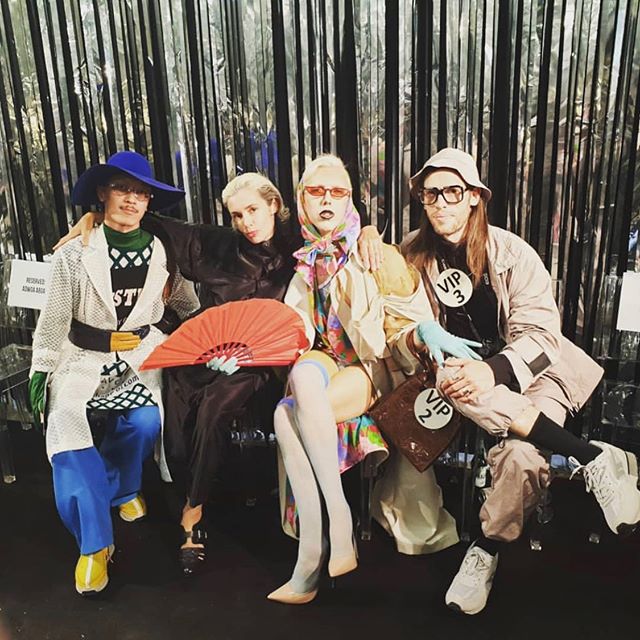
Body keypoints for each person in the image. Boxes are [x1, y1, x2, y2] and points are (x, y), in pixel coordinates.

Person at [59, 172, 387, 577]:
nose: (247, 222)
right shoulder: (214, 245)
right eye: (237, 215)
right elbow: (153, 222)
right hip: (206, 350)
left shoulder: (297, 247)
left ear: (274, 205)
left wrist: (368, 230)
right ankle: (184, 484)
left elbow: (339, 233)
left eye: (253, 210)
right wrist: (96, 217)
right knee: (176, 393)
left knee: (216, 405)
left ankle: (192, 513)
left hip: (262, 362)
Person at [401, 147, 640, 615]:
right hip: (464, 380)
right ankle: (592, 457)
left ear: (474, 196)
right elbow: (394, 312)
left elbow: (543, 338)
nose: (441, 202)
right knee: (458, 385)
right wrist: (370, 238)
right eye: (431, 194)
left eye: (453, 192)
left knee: (519, 453)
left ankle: (485, 547)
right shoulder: (412, 253)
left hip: (537, 376)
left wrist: (491, 371)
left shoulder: (512, 253)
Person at [267, 154, 475, 605]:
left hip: (368, 368)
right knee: (300, 383)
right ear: (301, 200)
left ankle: (311, 559)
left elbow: (405, 322)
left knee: (287, 416)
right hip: (324, 361)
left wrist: (423, 331)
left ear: (350, 200)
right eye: (316, 192)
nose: (326, 200)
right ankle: (335, 525)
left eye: (337, 192)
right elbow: (293, 333)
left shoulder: (375, 253)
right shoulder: (302, 257)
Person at [28, 151, 200, 595]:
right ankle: (94, 544)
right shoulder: (73, 254)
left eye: (141, 193)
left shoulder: (163, 251)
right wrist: (41, 367)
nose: (132, 199)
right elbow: (54, 318)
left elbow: (187, 306)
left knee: (146, 421)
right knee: (66, 423)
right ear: (103, 193)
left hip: (140, 356)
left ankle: (121, 489)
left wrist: (207, 340)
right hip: (81, 357)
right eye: (123, 188)